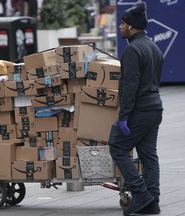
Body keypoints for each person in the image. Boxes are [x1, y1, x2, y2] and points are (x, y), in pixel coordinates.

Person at [108, 2, 164, 216]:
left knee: (117, 147)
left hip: (139, 109)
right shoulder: (154, 47)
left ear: (131, 27)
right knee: (149, 156)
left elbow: (129, 86)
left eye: (122, 23)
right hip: (155, 108)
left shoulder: (133, 50)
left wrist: (123, 116)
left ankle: (140, 194)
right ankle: (153, 202)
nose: (120, 27)